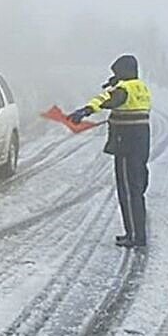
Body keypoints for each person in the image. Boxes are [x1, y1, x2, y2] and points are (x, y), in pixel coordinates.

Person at [68, 55, 152, 247]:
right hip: (141, 140)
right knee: (137, 188)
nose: (115, 76)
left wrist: (85, 111)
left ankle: (134, 236)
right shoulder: (141, 87)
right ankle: (137, 233)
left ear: (123, 71)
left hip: (125, 142)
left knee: (127, 190)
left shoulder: (123, 89)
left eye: (117, 72)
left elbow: (107, 100)